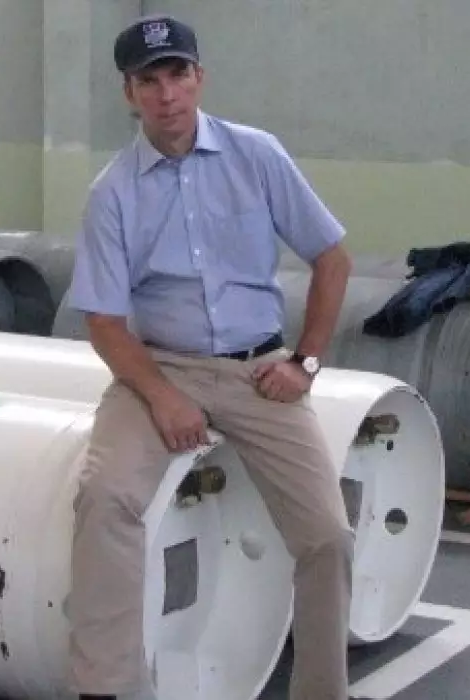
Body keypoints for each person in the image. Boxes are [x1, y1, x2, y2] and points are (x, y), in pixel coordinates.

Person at [65, 13, 358, 700]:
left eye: (178, 74)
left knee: (328, 536)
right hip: (159, 368)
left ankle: (323, 691)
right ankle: (105, 688)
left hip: (260, 371)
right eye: (149, 81)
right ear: (128, 93)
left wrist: (305, 363)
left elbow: (332, 258)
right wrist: (163, 397)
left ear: (199, 78)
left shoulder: (257, 156)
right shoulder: (112, 193)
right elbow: (104, 322)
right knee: (105, 497)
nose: (166, 93)